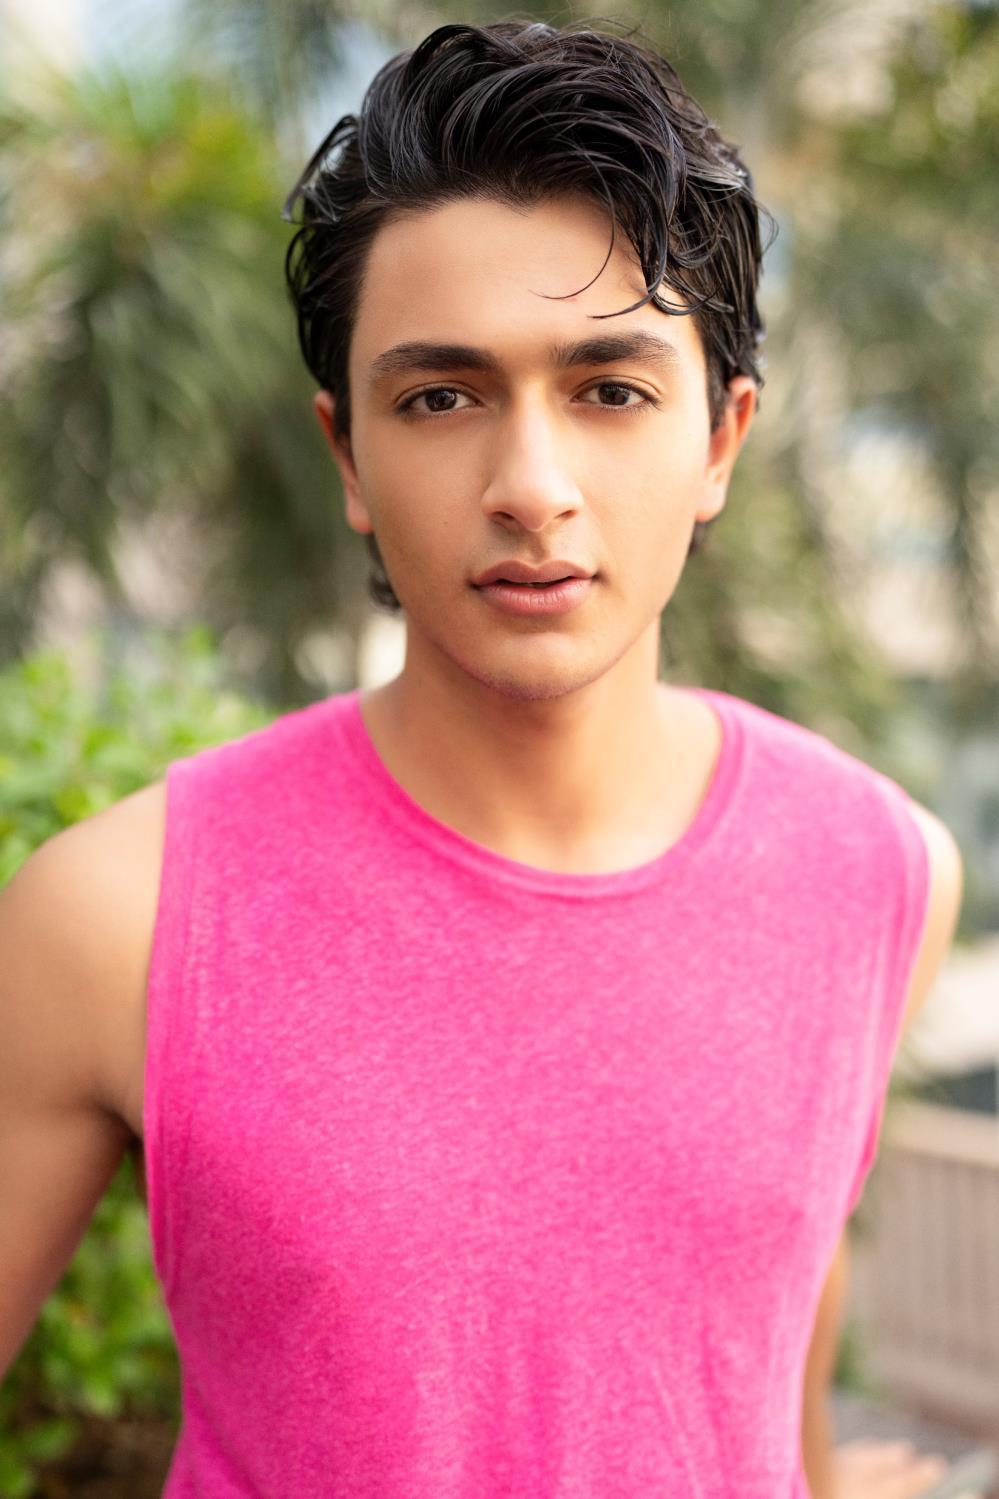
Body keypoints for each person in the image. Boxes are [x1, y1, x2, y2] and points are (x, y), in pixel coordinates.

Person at [0, 18, 966, 1499]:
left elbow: (771, 1307)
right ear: (348, 457)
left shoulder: (879, 869)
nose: (531, 487)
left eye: (610, 390)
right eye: (440, 398)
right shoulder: (117, 918)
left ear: (721, 442)